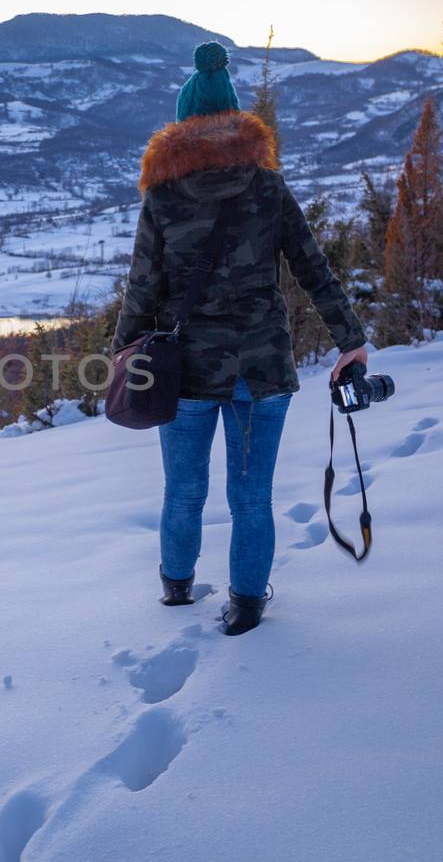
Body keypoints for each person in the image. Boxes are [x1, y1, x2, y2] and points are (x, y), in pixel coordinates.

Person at [113, 41, 369, 636]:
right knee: (252, 498)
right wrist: (349, 338)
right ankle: (247, 605)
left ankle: (176, 588)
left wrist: (124, 353)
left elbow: (141, 286)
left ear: (182, 125)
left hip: (185, 374)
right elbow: (312, 268)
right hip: (261, 369)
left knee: (183, 491)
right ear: (236, 120)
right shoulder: (267, 187)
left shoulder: (163, 198)